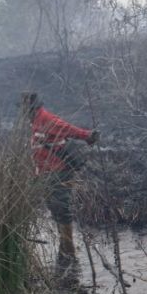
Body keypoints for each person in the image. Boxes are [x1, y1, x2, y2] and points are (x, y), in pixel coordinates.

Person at [21, 92, 98, 263]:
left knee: (61, 207)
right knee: (54, 207)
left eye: (25, 109)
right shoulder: (35, 121)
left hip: (59, 170)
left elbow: (68, 128)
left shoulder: (46, 118)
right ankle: (64, 248)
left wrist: (87, 136)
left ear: (32, 108)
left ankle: (69, 252)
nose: (23, 112)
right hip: (45, 173)